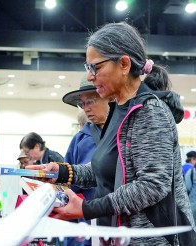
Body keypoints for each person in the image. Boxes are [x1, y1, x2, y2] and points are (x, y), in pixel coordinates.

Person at [27, 22, 196, 245]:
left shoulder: (150, 112)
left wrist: (87, 208)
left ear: (124, 64)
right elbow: (108, 168)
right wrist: (60, 171)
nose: (90, 76)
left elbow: (153, 185)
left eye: (95, 67)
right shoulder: (120, 110)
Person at [61, 75, 110, 246]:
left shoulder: (126, 133)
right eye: (82, 104)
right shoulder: (80, 140)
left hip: (121, 225)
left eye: (91, 101)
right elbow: (68, 187)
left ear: (108, 96)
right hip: (86, 225)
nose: (86, 109)